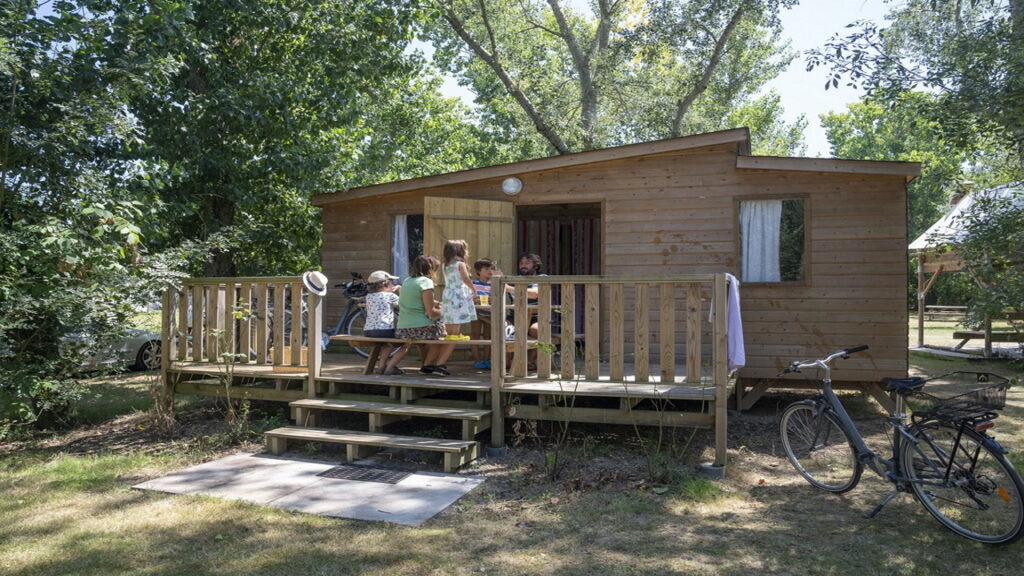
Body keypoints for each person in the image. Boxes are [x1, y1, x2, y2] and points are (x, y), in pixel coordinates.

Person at [396, 255, 455, 376]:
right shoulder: (426, 282)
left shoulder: (407, 281)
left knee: (436, 333)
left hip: (403, 328)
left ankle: (427, 366)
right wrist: (447, 311)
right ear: (431, 269)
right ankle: (435, 365)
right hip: (418, 327)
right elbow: (431, 312)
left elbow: (417, 300)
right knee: (446, 335)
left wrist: (437, 303)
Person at [363, 270, 405, 375]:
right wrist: (401, 289)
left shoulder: (368, 297)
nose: (393, 285)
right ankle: (389, 367)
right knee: (406, 343)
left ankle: (381, 367)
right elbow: (405, 304)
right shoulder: (390, 296)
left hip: (369, 331)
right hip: (384, 330)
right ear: (384, 284)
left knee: (387, 344)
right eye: (391, 282)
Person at [441, 239, 477, 337]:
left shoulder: (445, 265)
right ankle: (454, 337)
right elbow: (465, 278)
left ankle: (448, 337)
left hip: (448, 293)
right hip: (459, 293)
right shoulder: (460, 264)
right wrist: (473, 289)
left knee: (449, 317)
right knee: (457, 318)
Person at [471, 258, 499, 368]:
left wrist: (490, 299)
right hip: (476, 312)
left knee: (489, 336)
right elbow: (470, 296)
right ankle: (476, 359)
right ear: (478, 271)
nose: (489, 271)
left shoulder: (494, 283)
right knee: (475, 334)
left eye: (491, 268)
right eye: (486, 269)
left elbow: (496, 298)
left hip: (490, 313)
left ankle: (487, 359)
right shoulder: (473, 283)